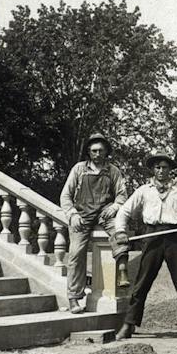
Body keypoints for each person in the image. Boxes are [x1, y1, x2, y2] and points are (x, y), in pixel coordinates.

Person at [112, 151, 177, 341]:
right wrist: (121, 231)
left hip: (175, 237)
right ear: (153, 170)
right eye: (158, 167)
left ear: (170, 170)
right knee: (141, 283)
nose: (161, 171)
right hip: (152, 236)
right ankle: (129, 325)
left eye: (165, 167)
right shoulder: (144, 190)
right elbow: (124, 212)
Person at [58, 133, 129, 314]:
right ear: (89, 152)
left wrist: (115, 206)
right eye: (94, 151)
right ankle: (74, 298)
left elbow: (122, 194)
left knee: (120, 234)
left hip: (104, 214)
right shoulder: (79, 169)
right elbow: (66, 195)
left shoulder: (113, 171)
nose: (97, 154)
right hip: (82, 215)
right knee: (75, 254)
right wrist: (72, 214)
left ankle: (122, 271)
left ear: (106, 152)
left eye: (101, 151)